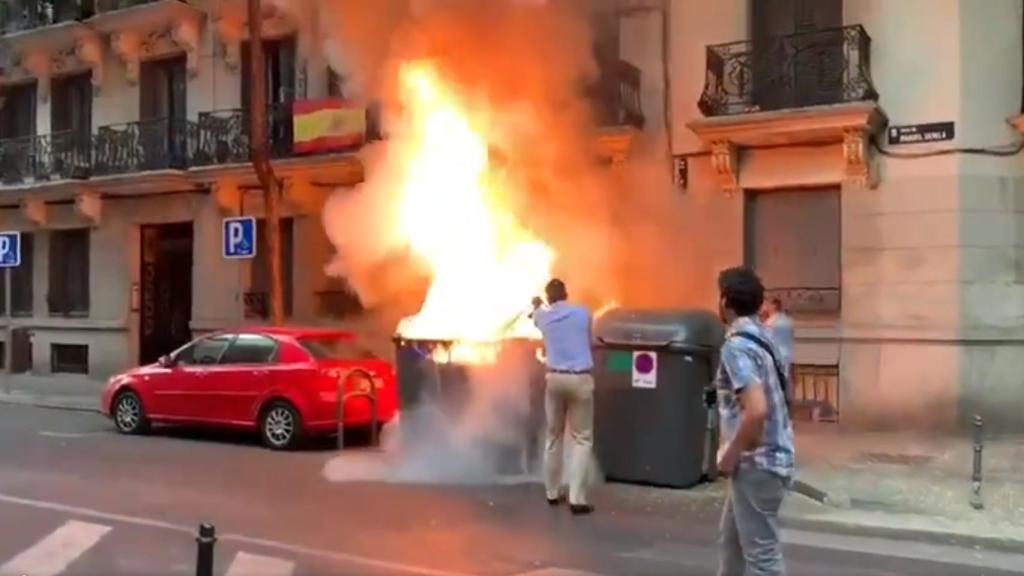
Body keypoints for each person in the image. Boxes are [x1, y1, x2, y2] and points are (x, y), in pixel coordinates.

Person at [715, 267, 795, 576]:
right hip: (772, 458)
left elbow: (758, 409)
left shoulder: (736, 346)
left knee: (763, 560)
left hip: (756, 465)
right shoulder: (766, 336)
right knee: (732, 546)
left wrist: (730, 456)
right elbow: (785, 393)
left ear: (725, 302)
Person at [530, 278, 595, 515]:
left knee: (553, 436)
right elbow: (589, 338)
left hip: (555, 379)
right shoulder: (583, 313)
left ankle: (552, 492)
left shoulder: (543, 318)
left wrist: (537, 305)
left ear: (548, 298)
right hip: (580, 379)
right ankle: (577, 498)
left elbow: (536, 313)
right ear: (566, 294)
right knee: (582, 439)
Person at [762, 297, 795, 396]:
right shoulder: (788, 321)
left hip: (776, 356)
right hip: (789, 355)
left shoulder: (770, 323)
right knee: (788, 383)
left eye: (767, 305)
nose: (765, 307)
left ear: (774, 306)